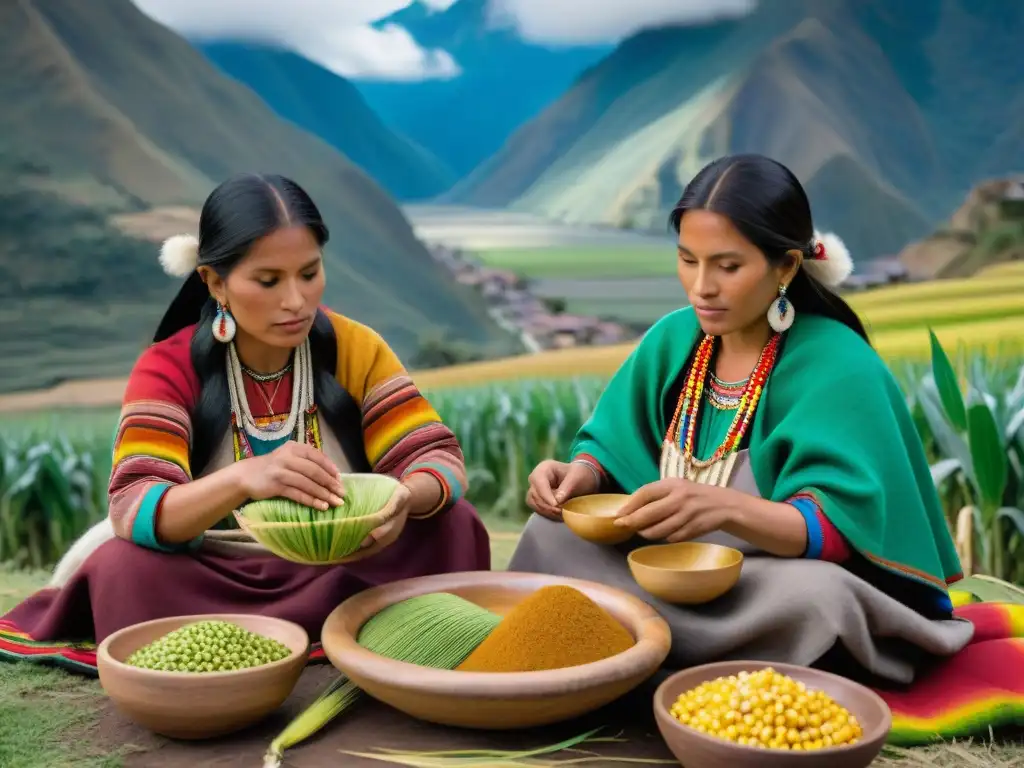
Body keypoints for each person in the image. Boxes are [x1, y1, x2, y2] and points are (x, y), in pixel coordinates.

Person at [509, 154, 973, 687]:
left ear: (787, 266)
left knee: (819, 598)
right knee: (553, 537)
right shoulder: (671, 339)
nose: (702, 286)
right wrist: (580, 476)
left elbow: (836, 528)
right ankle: (661, 648)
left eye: (727, 266)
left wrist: (723, 508)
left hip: (763, 583)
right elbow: (613, 446)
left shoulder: (838, 364)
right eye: (688, 260)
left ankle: (641, 648)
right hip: (661, 569)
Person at [1, 173, 490, 649]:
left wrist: (405, 498)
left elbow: (434, 456)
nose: (296, 301)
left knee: (454, 523)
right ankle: (351, 626)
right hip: (217, 571)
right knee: (121, 567)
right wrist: (242, 479)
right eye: (268, 280)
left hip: (349, 558)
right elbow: (135, 502)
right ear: (215, 282)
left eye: (309, 273)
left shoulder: (356, 348)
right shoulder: (167, 367)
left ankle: (334, 624)